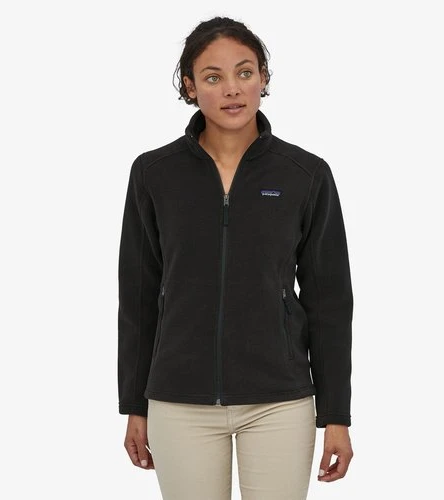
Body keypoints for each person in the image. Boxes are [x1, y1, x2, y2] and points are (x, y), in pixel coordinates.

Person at [117, 15, 354, 500]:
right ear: (189, 87)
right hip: (179, 400)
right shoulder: (154, 173)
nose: (232, 89)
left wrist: (336, 414)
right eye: (213, 77)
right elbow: (138, 297)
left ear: (263, 78)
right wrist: (134, 404)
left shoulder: (304, 174)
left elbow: (330, 301)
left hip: (279, 400)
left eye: (245, 72)